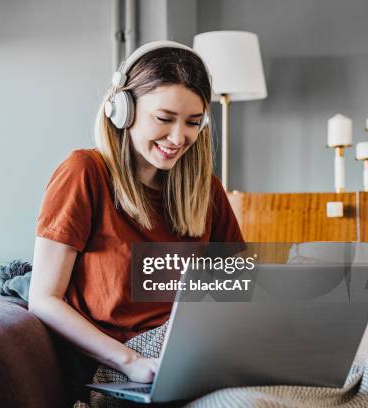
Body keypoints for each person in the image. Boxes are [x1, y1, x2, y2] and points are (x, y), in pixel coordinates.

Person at [28, 41, 244, 404]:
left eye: (193, 122)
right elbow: (43, 299)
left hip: (199, 355)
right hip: (126, 364)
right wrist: (132, 362)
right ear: (122, 109)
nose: (179, 138)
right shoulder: (85, 173)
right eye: (164, 119)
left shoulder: (206, 190)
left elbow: (236, 289)